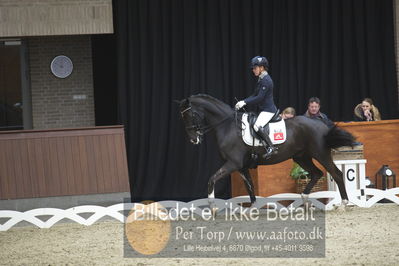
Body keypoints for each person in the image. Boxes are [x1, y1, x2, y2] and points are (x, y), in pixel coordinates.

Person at [235, 56, 278, 158]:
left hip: (268, 110)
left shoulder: (266, 80)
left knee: (257, 126)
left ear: (262, 68)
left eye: (255, 68)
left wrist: (245, 102)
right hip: (263, 110)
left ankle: (271, 147)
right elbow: (254, 95)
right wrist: (243, 101)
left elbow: (259, 98)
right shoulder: (261, 79)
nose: (253, 70)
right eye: (253, 68)